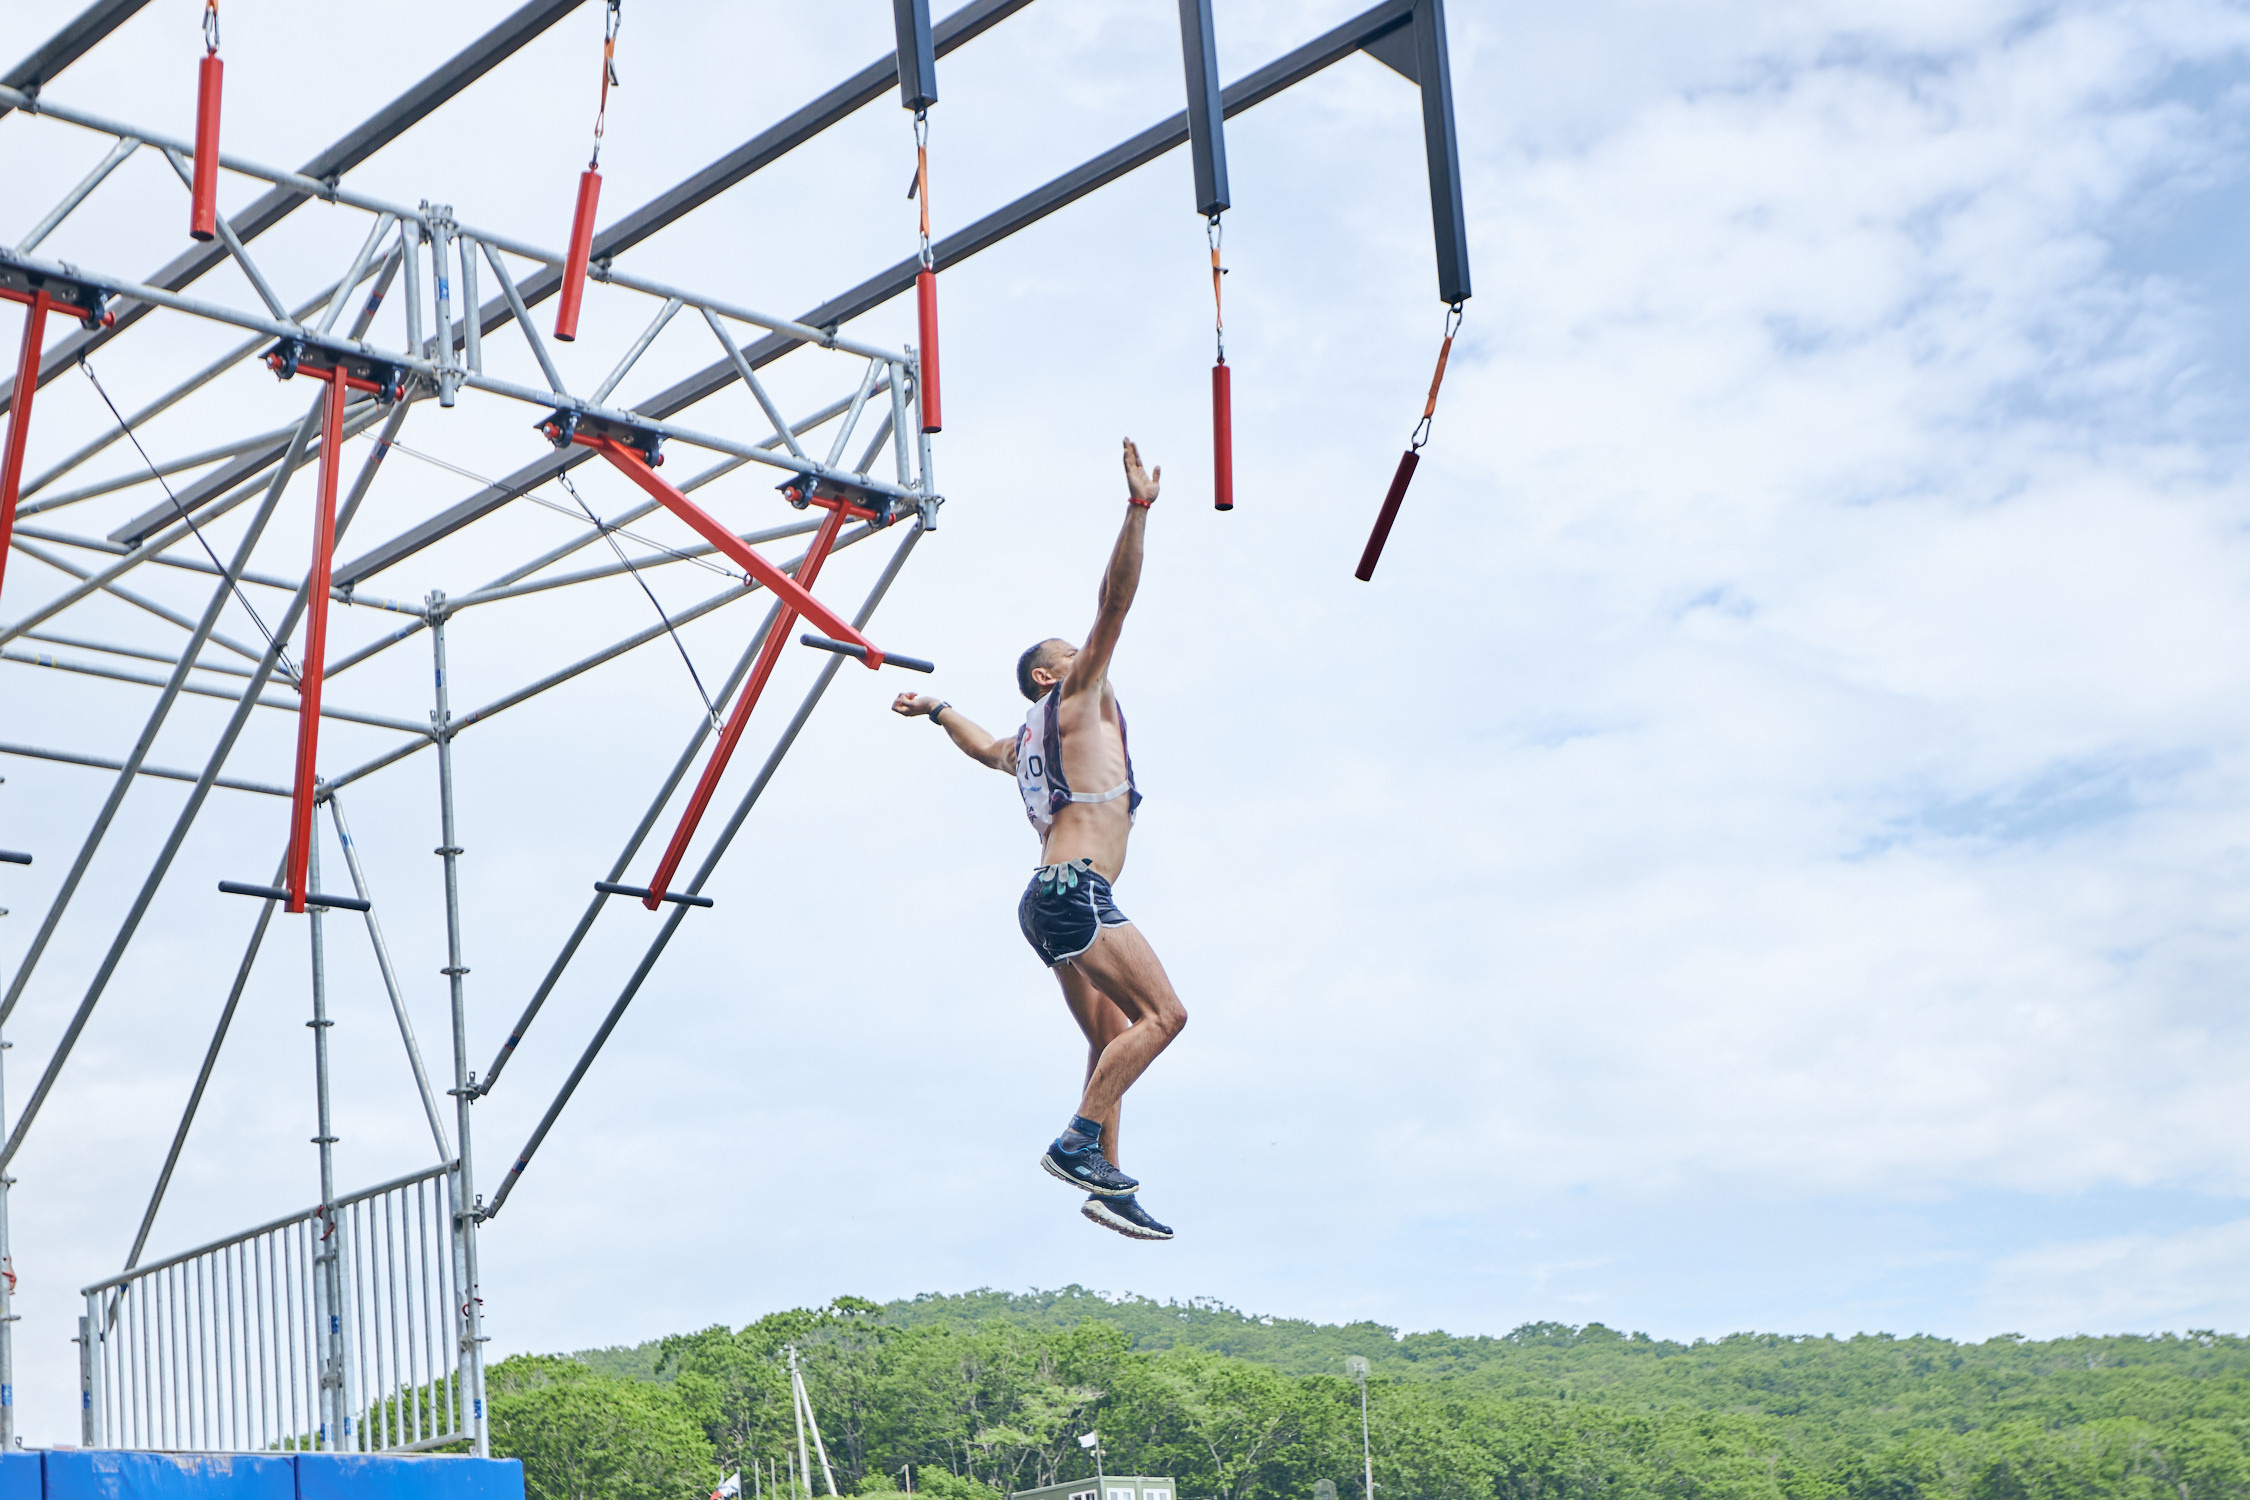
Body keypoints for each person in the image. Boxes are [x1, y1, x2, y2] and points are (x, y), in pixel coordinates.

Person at [892, 438, 1188, 1241]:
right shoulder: (1076, 700)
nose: (1086, 655)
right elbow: (1114, 606)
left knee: (1111, 1039)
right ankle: (1077, 1142)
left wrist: (938, 708)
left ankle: (1109, 1188)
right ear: (1052, 677)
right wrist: (1136, 511)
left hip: (1045, 903)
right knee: (1165, 1017)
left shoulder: (1026, 739)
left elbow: (983, 744)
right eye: (1069, 654)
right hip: (1075, 893)